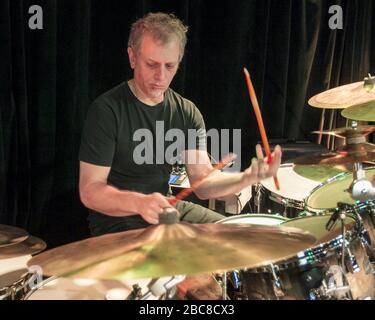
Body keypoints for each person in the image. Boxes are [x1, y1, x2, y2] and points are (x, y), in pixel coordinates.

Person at [78, 12, 282, 236]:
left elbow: (203, 184)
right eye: (152, 64)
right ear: (132, 57)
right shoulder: (107, 110)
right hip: (117, 222)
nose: (160, 76)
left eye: (169, 66)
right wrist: (139, 202)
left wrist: (247, 178)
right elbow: (90, 191)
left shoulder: (186, 112)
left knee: (242, 236)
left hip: (167, 211)